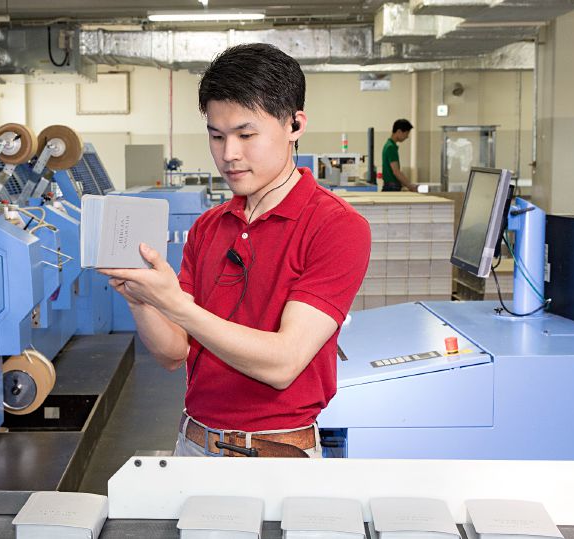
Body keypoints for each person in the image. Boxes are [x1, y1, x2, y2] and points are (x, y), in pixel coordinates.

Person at [100, 43, 371, 458]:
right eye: (216, 136)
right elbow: (174, 353)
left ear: (294, 125)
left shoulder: (336, 226)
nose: (229, 155)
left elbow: (283, 364)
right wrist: (141, 298)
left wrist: (176, 304)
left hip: (277, 454)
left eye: (246, 135)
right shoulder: (210, 226)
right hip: (192, 442)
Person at [381, 119, 416, 192]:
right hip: (392, 187)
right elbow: (396, 171)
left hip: (390, 185)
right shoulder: (391, 147)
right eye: (406, 133)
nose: (407, 137)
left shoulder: (388, 145)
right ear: (399, 131)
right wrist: (410, 186)